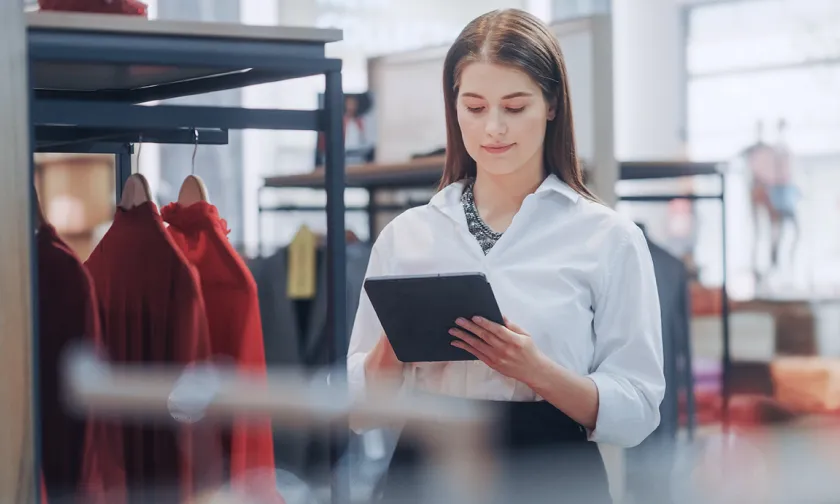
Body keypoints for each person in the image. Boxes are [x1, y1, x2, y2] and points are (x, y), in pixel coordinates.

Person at [347, 9, 665, 504]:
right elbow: (361, 411)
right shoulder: (406, 236)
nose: (493, 128)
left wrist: (537, 370)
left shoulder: (608, 238)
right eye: (474, 107)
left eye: (514, 107)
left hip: (551, 470)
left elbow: (640, 410)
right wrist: (394, 343)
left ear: (552, 104)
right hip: (425, 467)